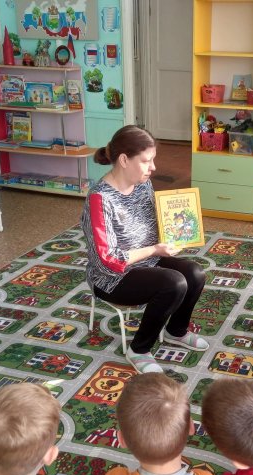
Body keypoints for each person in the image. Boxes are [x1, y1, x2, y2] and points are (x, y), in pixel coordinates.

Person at [81, 125, 208, 375]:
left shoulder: (142, 184)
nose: (153, 167)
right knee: (174, 283)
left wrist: (175, 229)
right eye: (146, 161)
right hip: (112, 278)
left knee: (195, 273)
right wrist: (154, 250)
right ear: (124, 160)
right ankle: (139, 349)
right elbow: (108, 260)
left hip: (148, 260)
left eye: (153, 160)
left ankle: (176, 331)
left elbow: (152, 222)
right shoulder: (100, 198)